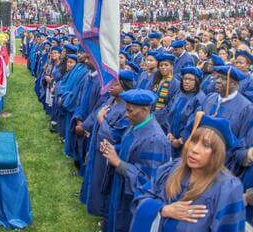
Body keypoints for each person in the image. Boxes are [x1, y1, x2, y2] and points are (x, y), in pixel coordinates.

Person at [131, 115, 245, 231]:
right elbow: (141, 196)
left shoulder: (227, 189)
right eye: (193, 141)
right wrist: (162, 210)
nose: (194, 150)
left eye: (205, 145)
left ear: (217, 153)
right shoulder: (173, 168)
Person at [100, 88, 171, 232]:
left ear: (145, 109)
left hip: (132, 200)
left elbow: (149, 181)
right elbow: (130, 148)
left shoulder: (155, 139)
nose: (126, 115)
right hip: (120, 189)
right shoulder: (137, 125)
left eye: (130, 111)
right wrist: (113, 149)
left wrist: (118, 163)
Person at [81, 71, 134, 218]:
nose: (111, 86)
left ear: (125, 87)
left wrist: (100, 120)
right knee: (93, 179)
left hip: (109, 153)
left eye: (116, 84)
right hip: (97, 147)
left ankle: (103, 214)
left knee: (103, 184)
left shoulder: (126, 110)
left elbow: (114, 136)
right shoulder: (110, 100)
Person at [194, 65, 253, 141]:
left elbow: (243, 141)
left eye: (224, 78)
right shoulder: (210, 98)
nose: (218, 81)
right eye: (217, 77)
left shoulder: (246, 108)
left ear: (235, 84)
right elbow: (195, 122)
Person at [167, 66, 206, 158]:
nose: (186, 81)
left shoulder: (200, 98)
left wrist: (181, 140)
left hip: (186, 143)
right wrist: (169, 133)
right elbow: (170, 113)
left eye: (190, 79)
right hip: (171, 139)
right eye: (184, 79)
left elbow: (195, 123)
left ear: (197, 81)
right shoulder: (179, 93)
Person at [151, 53, 180, 132]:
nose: (163, 67)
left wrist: (157, 115)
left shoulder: (176, 83)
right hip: (151, 116)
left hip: (164, 120)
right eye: (161, 65)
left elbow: (171, 105)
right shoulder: (157, 80)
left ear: (171, 67)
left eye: (166, 65)